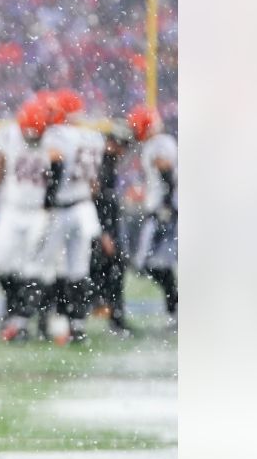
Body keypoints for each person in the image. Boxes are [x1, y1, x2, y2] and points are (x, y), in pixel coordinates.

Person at [0, 98, 51, 342]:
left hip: (40, 211)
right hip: (12, 208)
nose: (32, 139)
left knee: (34, 269)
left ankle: (25, 320)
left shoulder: (54, 139)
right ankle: (13, 308)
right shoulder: (9, 135)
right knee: (3, 265)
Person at [39, 90, 105, 344]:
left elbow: (56, 164)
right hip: (84, 207)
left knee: (47, 267)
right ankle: (77, 327)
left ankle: (45, 321)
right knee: (78, 270)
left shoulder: (57, 135)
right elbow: (94, 183)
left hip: (64, 207)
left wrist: (49, 199)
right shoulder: (93, 137)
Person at [127, 104, 177, 328]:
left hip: (163, 212)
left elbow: (166, 171)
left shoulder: (159, 144)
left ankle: (175, 308)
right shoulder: (162, 142)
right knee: (153, 264)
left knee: (149, 263)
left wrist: (166, 204)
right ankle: (175, 308)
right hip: (162, 210)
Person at [89, 122, 136, 336]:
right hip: (100, 226)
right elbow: (99, 202)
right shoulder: (102, 164)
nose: (124, 149)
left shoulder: (107, 163)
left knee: (109, 273)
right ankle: (113, 319)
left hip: (103, 225)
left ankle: (113, 317)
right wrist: (105, 233)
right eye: (122, 144)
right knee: (110, 273)